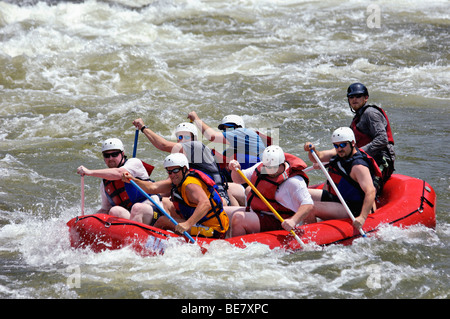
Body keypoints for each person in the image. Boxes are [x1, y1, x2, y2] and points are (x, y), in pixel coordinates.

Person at [122, 153, 229, 238]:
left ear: (184, 169)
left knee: (162, 220)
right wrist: (132, 179)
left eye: (176, 170)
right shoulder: (177, 181)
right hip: (201, 223)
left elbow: (205, 204)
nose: (172, 175)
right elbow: (152, 187)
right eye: (169, 172)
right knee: (165, 202)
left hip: (214, 230)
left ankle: (147, 242)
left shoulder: (189, 184)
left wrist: (187, 224)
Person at [132, 118, 233, 205]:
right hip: (198, 198)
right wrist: (153, 193)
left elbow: (163, 145)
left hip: (218, 199)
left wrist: (143, 128)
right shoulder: (180, 162)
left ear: (194, 139)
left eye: (187, 137)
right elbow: (170, 184)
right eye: (180, 137)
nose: (183, 140)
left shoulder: (196, 147)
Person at [225, 145, 314, 237]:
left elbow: (308, 204)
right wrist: (236, 170)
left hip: (277, 219)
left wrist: (293, 220)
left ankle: (236, 247)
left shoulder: (294, 181)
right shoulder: (263, 169)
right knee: (221, 211)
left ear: (282, 163)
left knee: (238, 218)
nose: (270, 171)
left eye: (274, 167)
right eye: (267, 167)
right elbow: (238, 180)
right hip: (258, 212)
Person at [304, 127, 382, 229]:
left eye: (343, 145)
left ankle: (312, 236)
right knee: (301, 193)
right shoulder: (338, 153)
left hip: (353, 207)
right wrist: (312, 150)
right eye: (336, 145)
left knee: (309, 208)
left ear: (352, 143)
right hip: (339, 198)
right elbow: (317, 157)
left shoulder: (359, 166)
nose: (339, 148)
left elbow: (370, 191)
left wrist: (362, 217)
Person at [76, 138, 159, 225]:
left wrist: (89, 172)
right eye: (107, 155)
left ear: (122, 154)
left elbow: (119, 173)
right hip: (131, 217)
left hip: (152, 210)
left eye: (114, 154)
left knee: (137, 208)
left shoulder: (134, 163)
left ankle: (134, 236)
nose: (110, 158)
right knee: (114, 210)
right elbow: (105, 209)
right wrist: (88, 220)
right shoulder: (104, 183)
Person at [346, 83, 395, 184]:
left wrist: (359, 153)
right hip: (363, 159)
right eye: (351, 97)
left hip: (380, 160)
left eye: (358, 96)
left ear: (366, 98)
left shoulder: (371, 113)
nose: (354, 99)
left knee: (365, 190)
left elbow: (382, 139)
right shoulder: (357, 117)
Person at [187, 112, 266, 170]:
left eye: (230, 128)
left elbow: (211, 136)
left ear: (239, 127)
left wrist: (196, 118)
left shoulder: (242, 132)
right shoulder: (232, 149)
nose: (227, 132)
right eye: (224, 129)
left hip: (260, 169)